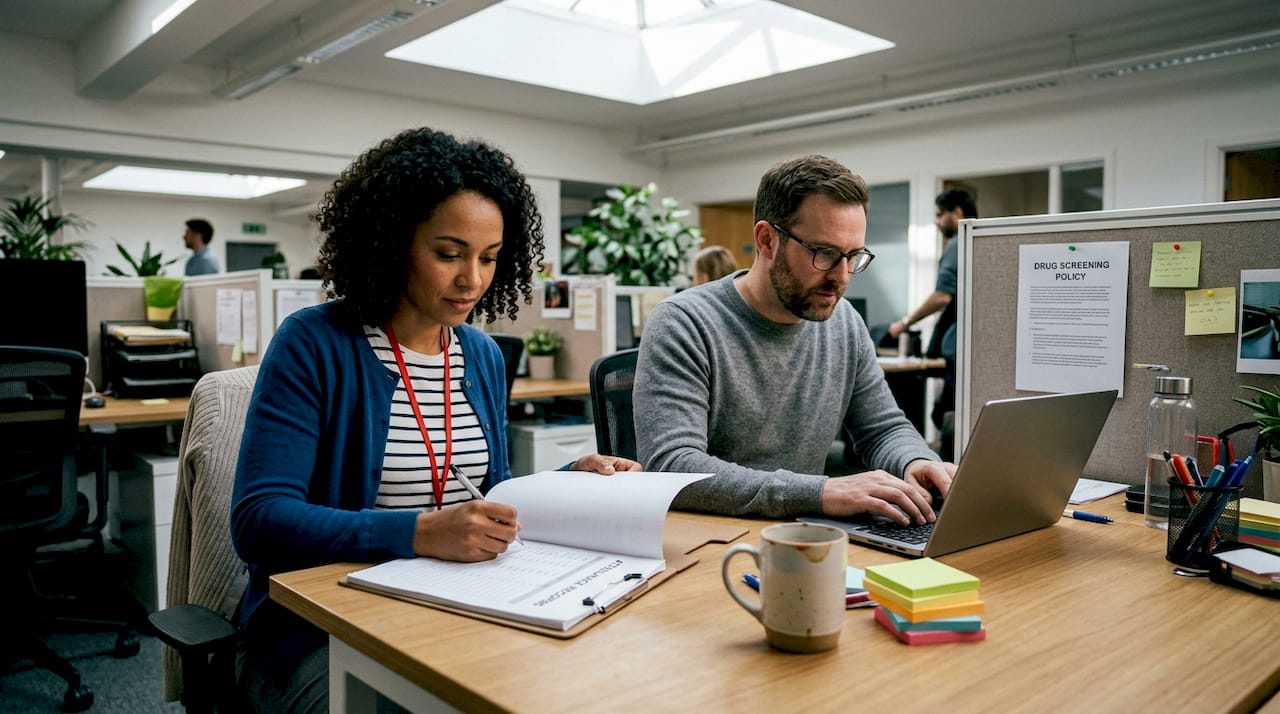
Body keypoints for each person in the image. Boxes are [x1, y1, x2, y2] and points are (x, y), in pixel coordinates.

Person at [229, 127, 638, 713]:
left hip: (453, 602)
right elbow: (259, 521)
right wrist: (417, 533)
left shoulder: (481, 355)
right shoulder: (315, 343)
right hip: (321, 627)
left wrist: (569, 475)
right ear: (392, 242)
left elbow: (480, 488)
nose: (472, 278)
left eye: (490, 258)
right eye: (449, 254)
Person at [634, 154, 955, 526]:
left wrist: (916, 461)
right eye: (825, 253)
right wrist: (821, 493)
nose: (841, 276)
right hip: (709, 542)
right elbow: (672, 466)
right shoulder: (685, 322)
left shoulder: (844, 323)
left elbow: (883, 428)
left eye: (853, 256)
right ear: (767, 240)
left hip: (804, 538)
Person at [887, 188, 977, 458]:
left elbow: (941, 297)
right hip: (973, 347)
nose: (937, 222)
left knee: (945, 415)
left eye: (940, 215)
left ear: (957, 213)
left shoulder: (958, 243)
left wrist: (904, 322)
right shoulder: (977, 242)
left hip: (959, 349)